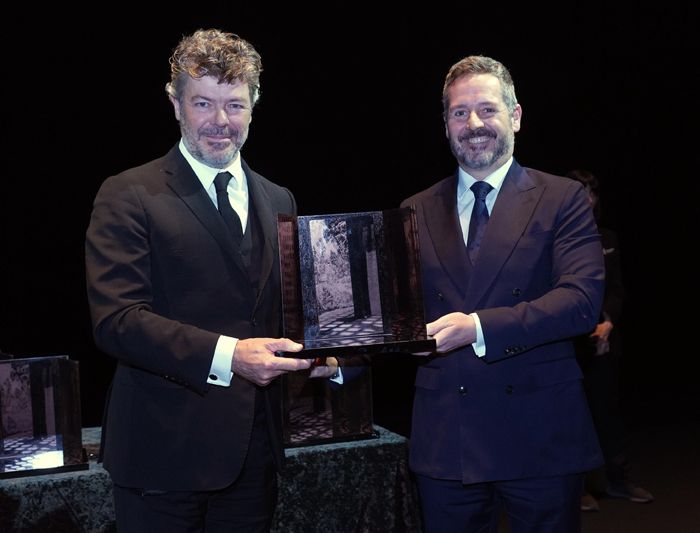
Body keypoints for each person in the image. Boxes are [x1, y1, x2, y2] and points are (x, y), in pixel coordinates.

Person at [85, 28, 339, 532]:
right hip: (160, 460)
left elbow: (290, 315)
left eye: (236, 105)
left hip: (254, 459)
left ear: (254, 106)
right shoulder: (127, 193)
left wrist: (334, 354)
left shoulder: (279, 198)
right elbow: (117, 321)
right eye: (204, 103)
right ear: (176, 104)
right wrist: (230, 356)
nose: (221, 122)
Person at [400, 55, 605, 533]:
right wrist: (343, 348)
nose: (474, 124)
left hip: (541, 433)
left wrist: (477, 326)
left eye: (488, 110)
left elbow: (579, 302)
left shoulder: (562, 198)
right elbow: (399, 315)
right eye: (459, 112)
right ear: (445, 124)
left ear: (515, 116)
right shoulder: (413, 209)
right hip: (447, 439)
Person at [566, 169, 654, 512]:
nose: (587, 198)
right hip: (571, 344)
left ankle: (618, 480)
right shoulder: (557, 239)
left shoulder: (607, 237)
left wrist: (608, 325)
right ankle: (581, 487)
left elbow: (617, 289)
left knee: (608, 412)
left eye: (590, 192)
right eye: (579, 191)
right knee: (574, 416)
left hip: (605, 341)